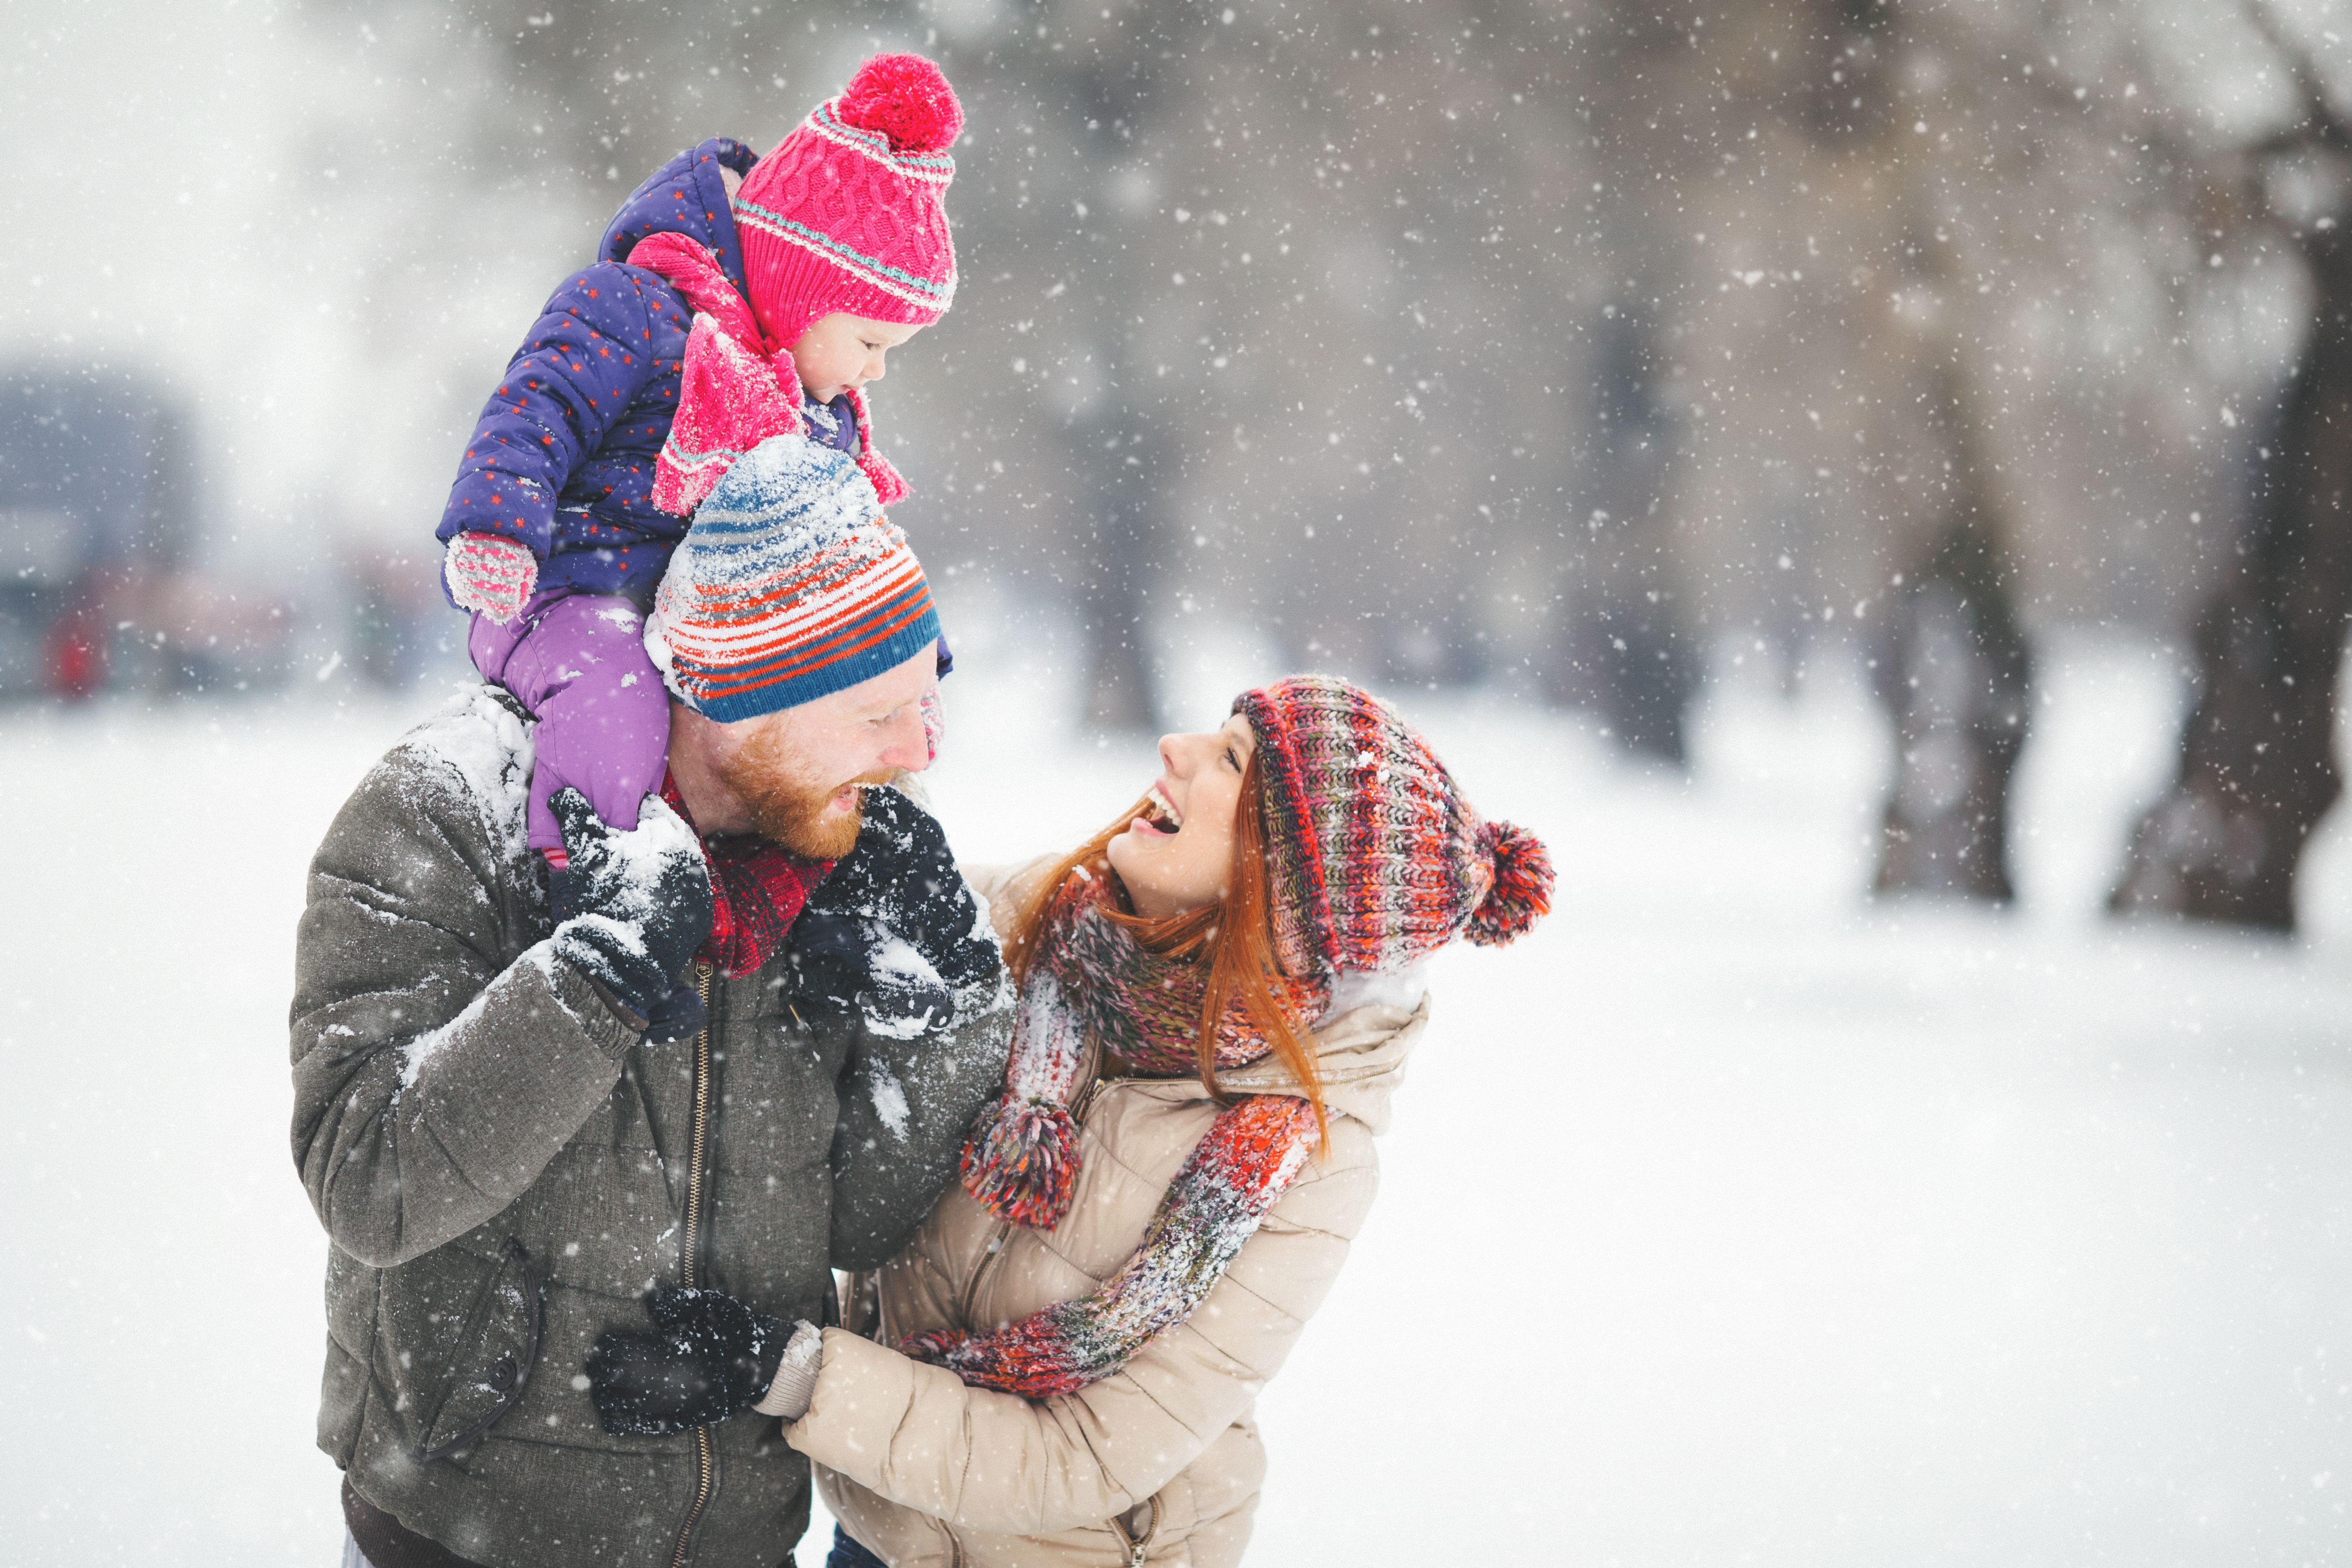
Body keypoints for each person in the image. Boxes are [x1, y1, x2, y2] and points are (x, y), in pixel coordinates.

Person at [598, 676, 1557, 1566]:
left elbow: (1078, 1461)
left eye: (1229, 761)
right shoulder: (1048, 924)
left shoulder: (1308, 1163)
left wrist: (790, 1370)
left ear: (1291, 887)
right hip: (884, 1532)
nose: (1176, 748)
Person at [292, 433, 1006, 1568]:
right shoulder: (454, 809)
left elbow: (867, 1227)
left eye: (926, 706)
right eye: (878, 715)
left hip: (739, 1534)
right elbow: (368, 1179)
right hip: (465, 1529)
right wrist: (600, 972)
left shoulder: (835, 852)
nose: (917, 750)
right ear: (738, 697)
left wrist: (944, 1003)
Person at [433, 52, 964, 1015]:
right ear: (805, 289)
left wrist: (903, 667)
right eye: (874, 342)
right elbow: (534, 409)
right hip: (562, 597)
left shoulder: (813, 413)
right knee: (618, 694)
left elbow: (845, 554)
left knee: (802, 747)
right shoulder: (631, 311)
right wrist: (498, 532)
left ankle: (833, 929)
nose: (877, 372)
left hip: (701, 626)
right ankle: (601, 903)